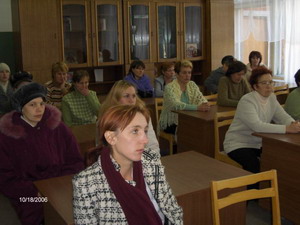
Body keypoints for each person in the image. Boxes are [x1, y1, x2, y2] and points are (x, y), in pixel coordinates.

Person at [73, 104, 183, 225]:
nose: (145, 140)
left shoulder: (151, 160)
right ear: (111, 137)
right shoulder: (85, 184)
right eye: (135, 131)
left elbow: (172, 209)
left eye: (145, 131)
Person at [0, 82, 84, 225]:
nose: (39, 109)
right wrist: (35, 192)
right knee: (39, 214)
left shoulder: (58, 127)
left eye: (41, 104)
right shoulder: (7, 136)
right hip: (28, 195)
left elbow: (75, 160)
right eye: (32, 105)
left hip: (60, 187)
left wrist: (61, 184)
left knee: (75, 214)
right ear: (21, 108)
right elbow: (5, 177)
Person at [224, 66, 300, 179]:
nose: (269, 86)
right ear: (255, 86)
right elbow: (257, 126)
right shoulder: (247, 100)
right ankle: (252, 195)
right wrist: (286, 128)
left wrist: (294, 124)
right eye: (264, 83)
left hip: (258, 143)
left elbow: (282, 116)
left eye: (270, 82)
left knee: (278, 160)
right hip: (238, 144)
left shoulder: (271, 98)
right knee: (254, 166)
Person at [98, 80, 159, 153]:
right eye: (126, 96)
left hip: (142, 158)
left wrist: (150, 161)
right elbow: (105, 149)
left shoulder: (143, 117)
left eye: (134, 96)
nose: (131, 100)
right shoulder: (108, 119)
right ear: (116, 99)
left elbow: (153, 145)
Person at [159, 60, 210, 135]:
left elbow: (201, 98)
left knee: (204, 128)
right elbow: (175, 105)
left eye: (189, 72)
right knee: (191, 130)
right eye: (184, 72)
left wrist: (205, 104)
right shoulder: (169, 87)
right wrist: (197, 107)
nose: (187, 75)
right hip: (171, 122)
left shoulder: (192, 84)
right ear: (177, 74)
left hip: (189, 118)